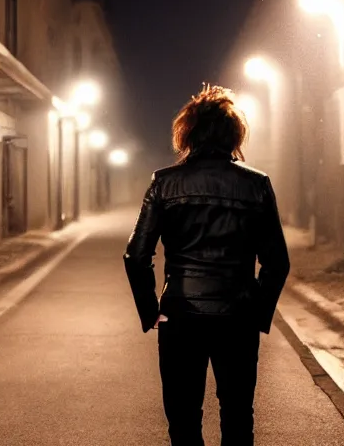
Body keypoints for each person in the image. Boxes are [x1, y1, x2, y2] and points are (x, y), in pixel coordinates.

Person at [123, 84, 290, 446]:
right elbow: (277, 262)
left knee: (183, 419)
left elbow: (136, 256)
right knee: (237, 416)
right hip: (238, 316)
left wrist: (151, 311)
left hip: (180, 314)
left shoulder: (164, 183)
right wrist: (257, 314)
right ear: (235, 135)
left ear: (188, 133)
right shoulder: (257, 185)